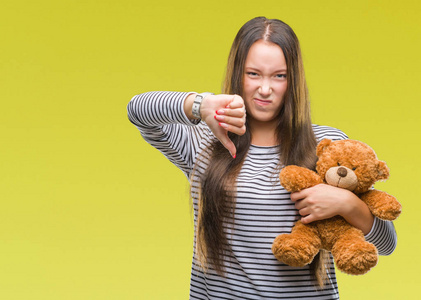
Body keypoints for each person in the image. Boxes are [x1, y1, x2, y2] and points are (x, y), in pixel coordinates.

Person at [127, 17, 397, 300]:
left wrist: (347, 203)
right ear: (237, 75)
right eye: (253, 74)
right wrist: (200, 104)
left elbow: (387, 243)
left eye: (279, 76)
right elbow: (138, 111)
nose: (265, 89)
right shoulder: (203, 143)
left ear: (292, 81)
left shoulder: (325, 144)